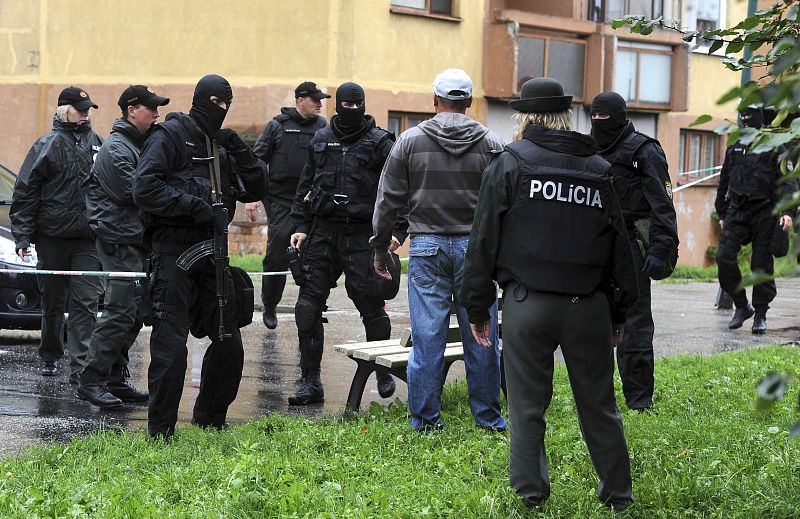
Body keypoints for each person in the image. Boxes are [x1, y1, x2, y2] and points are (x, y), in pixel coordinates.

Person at [460, 77, 638, 512]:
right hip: (589, 307)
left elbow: (483, 240)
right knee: (599, 406)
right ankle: (618, 495)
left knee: (525, 407)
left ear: (525, 117)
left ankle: (531, 495)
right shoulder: (599, 170)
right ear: (564, 117)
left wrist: (477, 306)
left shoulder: (510, 164)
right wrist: (619, 312)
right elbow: (622, 249)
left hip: (527, 305)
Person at [371, 68, 507, 432]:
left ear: (435, 100)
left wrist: (380, 247)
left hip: (427, 247)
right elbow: (505, 204)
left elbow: (387, 201)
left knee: (427, 338)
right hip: (475, 251)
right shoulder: (492, 143)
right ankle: (489, 419)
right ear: (469, 102)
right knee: (482, 332)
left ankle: (426, 420)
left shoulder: (410, 141)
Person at [133, 74, 268, 439]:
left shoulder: (221, 147)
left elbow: (258, 185)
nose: (221, 112)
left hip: (213, 258)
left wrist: (237, 146)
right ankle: (161, 433)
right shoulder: (170, 136)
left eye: (227, 107)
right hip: (173, 254)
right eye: (217, 105)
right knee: (171, 347)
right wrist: (196, 207)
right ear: (201, 101)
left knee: (229, 342)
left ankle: (210, 422)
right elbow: (144, 188)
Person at [288, 81, 403, 405]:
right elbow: (306, 183)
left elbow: (399, 188)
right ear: (338, 105)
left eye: (356, 106)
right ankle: (310, 382)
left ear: (363, 105)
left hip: (363, 232)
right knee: (307, 306)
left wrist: (398, 230)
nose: (351, 111)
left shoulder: (380, 142)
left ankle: (381, 370)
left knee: (370, 304)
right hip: (324, 230)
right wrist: (300, 224)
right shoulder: (321, 138)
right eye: (346, 106)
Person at [77, 85, 170, 409]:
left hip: (133, 240)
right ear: (132, 110)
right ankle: (90, 381)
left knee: (132, 314)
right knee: (118, 312)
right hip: (119, 240)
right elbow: (142, 194)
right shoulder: (117, 149)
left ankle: (115, 378)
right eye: (151, 109)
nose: (156, 114)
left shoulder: (136, 146)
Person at [589, 91, 679, 411]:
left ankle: (639, 400)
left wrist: (661, 250)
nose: (599, 125)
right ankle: (597, 396)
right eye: (594, 118)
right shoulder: (586, 149)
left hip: (632, 247)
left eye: (604, 119)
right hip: (594, 246)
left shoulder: (645, 150)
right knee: (592, 324)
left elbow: (663, 207)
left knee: (635, 326)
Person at [11, 86, 104, 384]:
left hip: (88, 238)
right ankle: (50, 354)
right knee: (52, 301)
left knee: (87, 301)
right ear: (65, 109)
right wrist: (23, 236)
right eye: (81, 108)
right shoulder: (46, 145)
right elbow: (25, 192)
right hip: (52, 237)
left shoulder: (98, 144)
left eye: (88, 108)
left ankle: (80, 366)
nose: (86, 113)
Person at [244, 81, 330, 329]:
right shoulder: (277, 126)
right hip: (281, 199)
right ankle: (269, 304)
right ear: (300, 100)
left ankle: (313, 305)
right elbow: (257, 162)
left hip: (311, 200)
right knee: (278, 249)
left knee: (315, 252)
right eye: (315, 100)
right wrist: (251, 196)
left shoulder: (322, 128)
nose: (320, 104)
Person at [715, 106, 795, 334]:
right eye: (743, 115)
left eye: (750, 114)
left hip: (765, 212)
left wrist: (788, 212)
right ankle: (742, 305)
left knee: (760, 264)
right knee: (724, 258)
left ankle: (761, 313)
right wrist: (722, 212)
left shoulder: (773, 144)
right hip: (737, 210)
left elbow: (787, 181)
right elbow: (724, 181)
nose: (746, 119)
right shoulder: (736, 145)